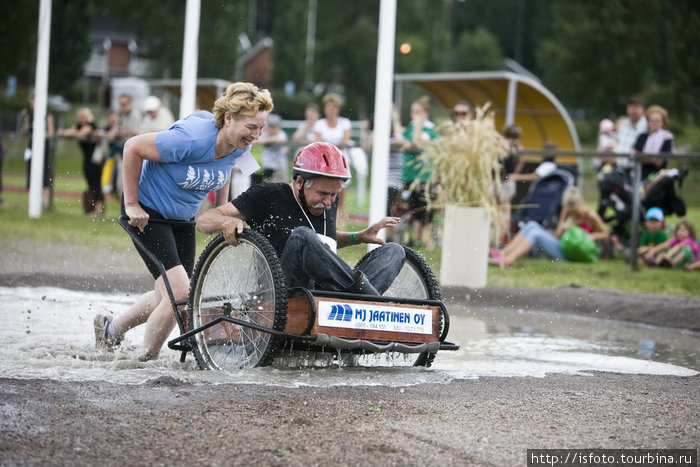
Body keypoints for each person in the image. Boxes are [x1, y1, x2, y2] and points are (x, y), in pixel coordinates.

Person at [93, 82, 273, 361]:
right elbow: (132, 147)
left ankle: (112, 329)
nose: (257, 136)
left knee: (172, 294)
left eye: (261, 128)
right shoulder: (191, 139)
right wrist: (131, 204)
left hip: (182, 220)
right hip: (147, 213)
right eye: (252, 127)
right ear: (228, 118)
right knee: (180, 293)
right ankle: (146, 362)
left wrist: (221, 210)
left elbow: (225, 169)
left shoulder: (238, 146)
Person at [196, 141, 405, 296]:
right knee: (303, 236)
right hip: (283, 293)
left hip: (329, 292)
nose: (328, 202)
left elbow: (322, 248)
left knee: (394, 251)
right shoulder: (267, 195)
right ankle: (365, 299)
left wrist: (356, 237)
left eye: (334, 195)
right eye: (322, 194)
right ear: (299, 183)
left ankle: (357, 299)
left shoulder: (327, 201)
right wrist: (226, 222)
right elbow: (204, 220)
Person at [490, 186, 608, 266]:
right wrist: (563, 223)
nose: (572, 213)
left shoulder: (590, 216)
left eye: (575, 211)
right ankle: (503, 253)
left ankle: (509, 260)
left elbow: (605, 233)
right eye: (569, 210)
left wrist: (592, 236)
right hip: (564, 247)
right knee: (532, 225)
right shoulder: (566, 213)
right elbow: (557, 235)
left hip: (576, 254)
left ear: (580, 204)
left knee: (536, 234)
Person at [399, 95, 437, 248]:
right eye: (412, 111)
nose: (414, 115)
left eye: (417, 111)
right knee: (413, 206)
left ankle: (425, 238)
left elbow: (416, 143)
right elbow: (404, 143)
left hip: (425, 176)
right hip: (410, 174)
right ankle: (416, 238)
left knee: (426, 207)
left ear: (425, 112)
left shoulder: (430, 129)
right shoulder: (410, 126)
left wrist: (418, 126)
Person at [57, 107, 104, 214]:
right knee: (90, 183)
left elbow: (82, 133)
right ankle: (92, 206)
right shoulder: (79, 126)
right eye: (79, 117)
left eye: (83, 116)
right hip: (87, 159)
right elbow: (71, 132)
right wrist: (67, 132)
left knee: (96, 182)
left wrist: (67, 132)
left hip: (95, 159)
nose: (81, 119)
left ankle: (99, 207)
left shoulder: (92, 125)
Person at [20, 92, 55, 209]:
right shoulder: (30, 116)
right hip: (32, 147)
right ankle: (34, 201)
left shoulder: (47, 115)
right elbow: (24, 132)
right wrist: (26, 120)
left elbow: (50, 132)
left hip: (43, 147)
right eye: (32, 101)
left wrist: (39, 134)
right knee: (31, 171)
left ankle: (44, 204)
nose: (33, 104)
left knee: (44, 173)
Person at [106, 94, 142, 197]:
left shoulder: (135, 115)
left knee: (128, 181)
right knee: (121, 181)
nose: (122, 106)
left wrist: (117, 134)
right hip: (122, 151)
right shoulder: (122, 115)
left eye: (124, 104)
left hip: (133, 153)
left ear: (130, 103)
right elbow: (116, 130)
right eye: (121, 104)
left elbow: (135, 133)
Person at [633, 105, 673, 180]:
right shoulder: (642, 136)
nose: (655, 123)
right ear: (648, 122)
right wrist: (651, 159)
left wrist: (642, 157)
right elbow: (634, 154)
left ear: (663, 122)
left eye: (657, 120)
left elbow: (659, 162)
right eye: (652, 120)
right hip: (641, 175)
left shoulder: (667, 138)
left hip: (659, 177)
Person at [251, 113, 289, 184]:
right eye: (270, 126)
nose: (272, 128)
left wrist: (264, 142)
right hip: (266, 169)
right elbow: (254, 142)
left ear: (279, 127)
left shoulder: (281, 134)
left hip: (278, 169)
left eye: (274, 126)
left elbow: (278, 139)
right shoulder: (265, 134)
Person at [616, 96, 648, 165]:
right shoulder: (622, 124)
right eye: (630, 107)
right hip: (617, 167)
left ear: (643, 109)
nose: (633, 110)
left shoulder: (647, 126)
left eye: (636, 107)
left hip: (636, 168)